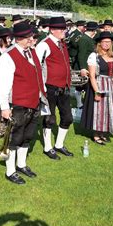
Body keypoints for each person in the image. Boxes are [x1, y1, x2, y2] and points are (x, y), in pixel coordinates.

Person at [0, 21, 46, 185]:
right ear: (21, 38)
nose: (33, 38)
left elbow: (38, 75)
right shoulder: (8, 56)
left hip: (33, 101)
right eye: (30, 36)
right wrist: (4, 107)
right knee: (14, 137)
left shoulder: (32, 52)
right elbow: (2, 84)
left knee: (27, 135)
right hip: (17, 104)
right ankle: (10, 171)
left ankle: (21, 164)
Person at [35, 17, 74, 160]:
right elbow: (36, 67)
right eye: (61, 29)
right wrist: (40, 89)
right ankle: (47, 147)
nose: (64, 31)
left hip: (64, 87)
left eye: (64, 28)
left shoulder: (62, 43)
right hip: (49, 88)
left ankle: (59, 144)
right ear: (52, 30)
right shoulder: (44, 45)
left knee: (68, 117)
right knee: (49, 119)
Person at [81, 31, 113, 143]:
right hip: (100, 84)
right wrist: (97, 92)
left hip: (111, 86)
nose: (106, 44)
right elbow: (92, 76)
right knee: (99, 110)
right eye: (104, 42)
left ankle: (103, 132)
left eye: (108, 42)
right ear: (99, 43)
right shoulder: (94, 56)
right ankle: (96, 134)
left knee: (109, 109)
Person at [76, 21, 99, 108]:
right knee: (80, 86)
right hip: (84, 66)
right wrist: (82, 67)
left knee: (85, 86)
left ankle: (83, 103)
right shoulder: (84, 39)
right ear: (94, 30)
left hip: (88, 65)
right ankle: (79, 104)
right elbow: (81, 54)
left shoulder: (87, 38)